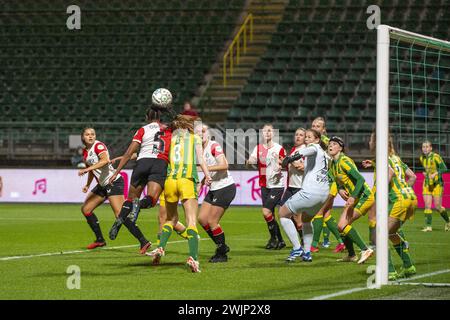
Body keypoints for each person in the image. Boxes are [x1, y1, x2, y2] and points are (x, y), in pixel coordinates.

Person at [147, 115, 212, 273]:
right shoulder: (194, 138)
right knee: (191, 221)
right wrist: (207, 175)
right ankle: (193, 258)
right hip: (186, 180)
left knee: (171, 219)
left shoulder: (170, 139)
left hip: (170, 181)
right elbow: (201, 159)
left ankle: (161, 248)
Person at [78, 127, 151, 252]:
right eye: (87, 134)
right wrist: (88, 184)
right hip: (102, 185)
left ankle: (143, 241)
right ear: (83, 137)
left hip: (113, 182)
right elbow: (91, 169)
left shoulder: (98, 146)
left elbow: (104, 161)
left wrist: (87, 169)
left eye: (92, 134)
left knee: (119, 214)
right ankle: (100, 240)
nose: (90, 136)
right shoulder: (85, 151)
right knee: (86, 209)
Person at [107, 106, 172, 246]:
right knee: (152, 199)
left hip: (143, 162)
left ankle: (119, 221)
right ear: (160, 118)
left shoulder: (142, 130)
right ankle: (139, 205)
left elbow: (129, 153)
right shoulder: (168, 130)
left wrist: (116, 172)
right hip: (160, 163)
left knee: (130, 199)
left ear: (147, 118)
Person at [278, 129, 330, 262]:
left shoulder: (314, 148)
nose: (306, 139)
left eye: (309, 137)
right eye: (305, 137)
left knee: (283, 214)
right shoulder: (324, 154)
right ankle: (307, 253)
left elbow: (309, 150)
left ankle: (297, 248)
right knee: (306, 220)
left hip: (310, 192)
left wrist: (291, 157)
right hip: (323, 194)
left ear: (317, 139)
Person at [327, 136, 374, 264]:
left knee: (342, 225)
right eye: (329, 143)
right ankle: (352, 255)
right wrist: (341, 189)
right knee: (341, 226)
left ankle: (365, 249)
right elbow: (338, 181)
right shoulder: (332, 163)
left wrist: (352, 196)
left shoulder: (344, 161)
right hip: (356, 197)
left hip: (364, 196)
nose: (330, 146)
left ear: (340, 148)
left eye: (334, 144)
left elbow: (360, 179)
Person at [198, 124, 236, 263]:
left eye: (203, 131)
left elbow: (225, 165)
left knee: (212, 221)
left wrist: (205, 167)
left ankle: (222, 254)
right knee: (202, 219)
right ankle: (222, 246)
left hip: (225, 188)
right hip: (214, 189)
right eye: (198, 132)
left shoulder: (214, 146)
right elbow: (210, 172)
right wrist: (201, 183)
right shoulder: (199, 151)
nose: (201, 134)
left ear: (208, 133)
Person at [246, 124, 286, 250]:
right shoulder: (258, 148)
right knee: (270, 214)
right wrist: (249, 162)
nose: (267, 133)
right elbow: (250, 161)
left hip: (277, 185)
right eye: (264, 131)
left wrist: (281, 165)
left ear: (273, 133)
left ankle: (274, 239)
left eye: (269, 131)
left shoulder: (279, 148)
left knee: (266, 211)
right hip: (264, 185)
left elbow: (285, 163)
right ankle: (279, 240)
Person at [309, 117, 343, 252]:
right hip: (324, 183)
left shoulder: (326, 143)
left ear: (324, 130)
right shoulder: (314, 143)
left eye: (318, 126)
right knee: (326, 215)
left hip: (329, 183)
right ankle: (341, 241)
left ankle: (314, 245)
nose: (315, 128)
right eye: (313, 125)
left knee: (318, 212)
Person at [387, 138, 418, 280]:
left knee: (379, 234)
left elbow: (390, 174)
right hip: (411, 197)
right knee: (392, 232)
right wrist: (404, 189)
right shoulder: (396, 158)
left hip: (399, 200)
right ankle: (408, 266)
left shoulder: (382, 158)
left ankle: (389, 272)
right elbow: (412, 176)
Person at [280, 128, 307, 244]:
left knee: (297, 218)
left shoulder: (305, 150)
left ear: (305, 138)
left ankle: (303, 242)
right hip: (290, 187)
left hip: (300, 187)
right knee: (283, 212)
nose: (298, 137)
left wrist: (290, 160)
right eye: (296, 134)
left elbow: (303, 168)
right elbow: (289, 166)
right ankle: (300, 241)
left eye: (301, 135)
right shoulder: (293, 150)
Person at [419, 140, 449, 232]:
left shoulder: (436, 157)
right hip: (427, 183)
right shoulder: (421, 158)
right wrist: (426, 174)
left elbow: (445, 169)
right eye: (423, 147)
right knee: (427, 205)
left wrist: (435, 173)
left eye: (427, 147)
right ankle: (428, 227)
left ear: (431, 148)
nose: (425, 148)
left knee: (437, 206)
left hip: (438, 184)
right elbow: (427, 169)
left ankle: (448, 221)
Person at [361, 132, 379, 248]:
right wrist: (372, 163)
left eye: (371, 140)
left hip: (380, 189)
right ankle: (402, 242)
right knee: (390, 218)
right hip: (384, 189)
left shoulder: (382, 155)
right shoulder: (384, 155)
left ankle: (373, 245)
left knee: (372, 216)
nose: (369, 142)